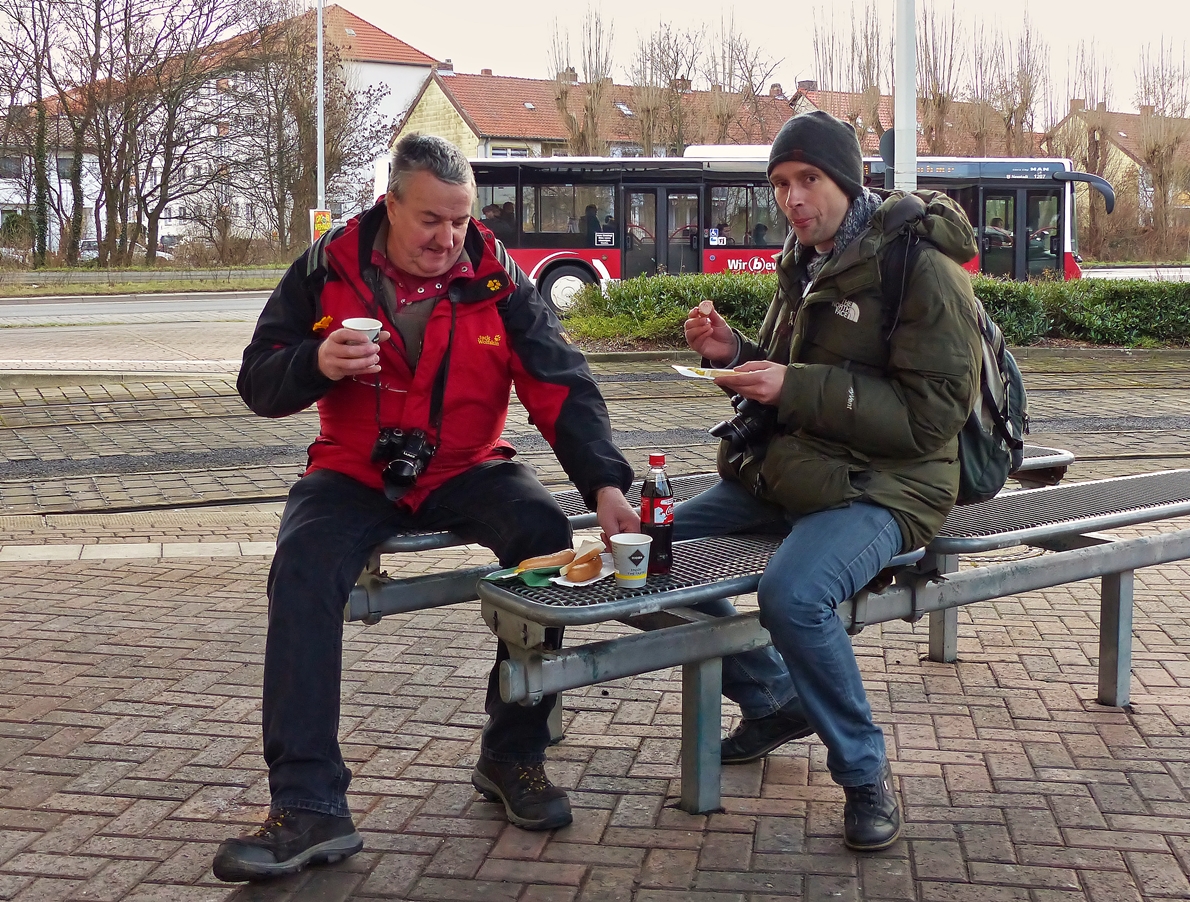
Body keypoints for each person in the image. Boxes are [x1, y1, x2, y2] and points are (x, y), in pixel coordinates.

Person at [213, 133, 641, 883]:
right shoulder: (327, 266)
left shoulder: (498, 276)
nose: (450, 239)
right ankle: (308, 804)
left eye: (462, 220)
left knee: (543, 533)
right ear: (390, 206)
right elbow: (257, 382)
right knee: (302, 569)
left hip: (467, 467)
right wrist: (314, 364)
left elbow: (560, 383)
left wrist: (605, 482)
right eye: (432, 222)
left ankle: (514, 754)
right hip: (350, 471)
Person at [679, 110, 981, 852]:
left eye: (807, 179)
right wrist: (733, 353)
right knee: (644, 551)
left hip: (894, 483)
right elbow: (790, 374)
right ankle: (773, 694)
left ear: (847, 181)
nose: (792, 198)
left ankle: (864, 772)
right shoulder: (803, 260)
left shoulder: (921, 268)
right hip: (797, 470)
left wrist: (795, 387)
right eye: (780, 183)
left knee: (793, 594)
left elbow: (931, 418)